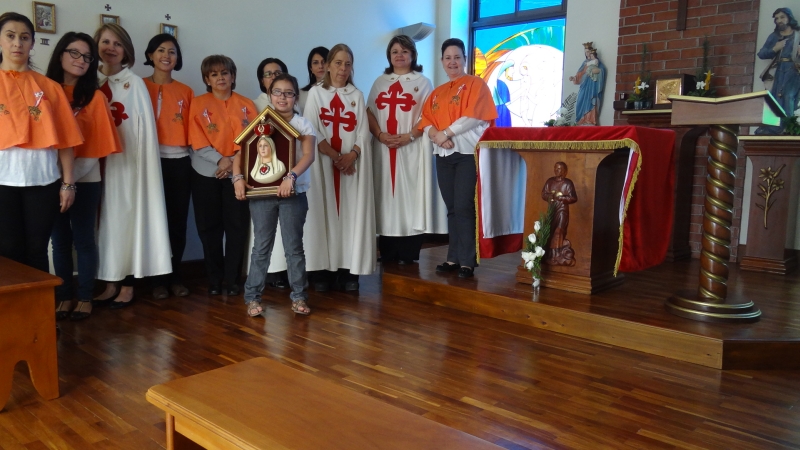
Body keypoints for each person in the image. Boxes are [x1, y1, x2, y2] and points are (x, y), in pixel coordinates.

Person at [92, 23, 171, 309]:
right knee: (102, 224)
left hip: (125, 164)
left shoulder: (134, 83)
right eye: (105, 42)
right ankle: (109, 280)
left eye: (117, 44)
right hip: (93, 162)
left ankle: (127, 284)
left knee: (123, 220)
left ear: (126, 50)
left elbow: (143, 133)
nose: (111, 48)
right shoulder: (89, 80)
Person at [46, 31, 122, 320]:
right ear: (60, 55)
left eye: (87, 57)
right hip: (48, 178)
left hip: (85, 178)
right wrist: (57, 179)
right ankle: (64, 296)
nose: (81, 60)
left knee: (84, 239)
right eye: (74, 53)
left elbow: (96, 147)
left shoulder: (95, 97)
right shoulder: (45, 91)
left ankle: (86, 296)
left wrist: (69, 181)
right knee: (59, 242)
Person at [0, 12, 81, 274]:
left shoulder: (50, 87)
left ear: (32, 43)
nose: (17, 43)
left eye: (24, 37)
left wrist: (68, 184)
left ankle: (41, 302)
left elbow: (66, 141)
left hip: (43, 182)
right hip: (2, 183)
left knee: (37, 249)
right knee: (7, 250)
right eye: (10, 36)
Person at [235, 73, 316, 316]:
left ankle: (299, 297)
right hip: (261, 195)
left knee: (294, 247)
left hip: (293, 193)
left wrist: (291, 177)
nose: (283, 97)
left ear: (296, 97)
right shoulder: (259, 122)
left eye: (289, 93)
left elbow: (308, 155)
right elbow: (240, 154)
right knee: (261, 247)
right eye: (277, 92)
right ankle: (252, 298)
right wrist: (237, 179)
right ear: (270, 95)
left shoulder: (303, 124)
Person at [419, 38, 497, 279]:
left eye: (457, 57)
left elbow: (474, 117)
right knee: (452, 207)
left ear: (464, 59)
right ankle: (453, 257)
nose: (452, 62)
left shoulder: (476, 84)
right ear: (442, 61)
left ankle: (468, 261)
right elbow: (425, 121)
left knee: (464, 206)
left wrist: (446, 133)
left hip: (466, 154)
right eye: (448, 58)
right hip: (443, 154)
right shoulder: (437, 93)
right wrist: (437, 135)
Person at [367, 35, 446, 265]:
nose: (399, 55)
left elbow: (428, 115)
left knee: (410, 196)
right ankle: (388, 251)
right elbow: (369, 112)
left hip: (412, 147)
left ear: (413, 54)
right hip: (384, 147)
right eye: (395, 51)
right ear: (389, 56)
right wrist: (380, 135)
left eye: (404, 51)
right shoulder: (380, 82)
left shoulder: (423, 82)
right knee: (386, 196)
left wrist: (410, 135)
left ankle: (409, 252)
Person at [303, 43, 375, 291]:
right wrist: (337, 157)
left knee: (350, 216)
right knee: (323, 213)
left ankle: (348, 272)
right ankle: (322, 272)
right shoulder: (315, 94)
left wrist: (351, 155)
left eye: (347, 64)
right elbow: (311, 129)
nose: (343, 68)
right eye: (338, 63)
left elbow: (363, 132)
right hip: (324, 164)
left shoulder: (357, 95)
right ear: (328, 65)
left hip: (351, 167)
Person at [188, 54, 257, 296]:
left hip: (237, 175)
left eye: (224, 73)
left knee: (237, 227)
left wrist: (232, 162)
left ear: (233, 76)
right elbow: (196, 139)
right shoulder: (197, 104)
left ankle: (233, 280)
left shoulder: (247, 105)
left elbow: (253, 139)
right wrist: (220, 160)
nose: (220, 78)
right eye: (214, 74)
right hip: (205, 173)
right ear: (207, 79)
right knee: (209, 228)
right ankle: (215, 280)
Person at [143, 33, 195, 300]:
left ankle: (175, 276)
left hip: (179, 163)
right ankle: (156, 280)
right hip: (148, 162)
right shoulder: (139, 86)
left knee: (177, 221)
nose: (166, 56)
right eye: (161, 50)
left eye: (172, 51)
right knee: (153, 221)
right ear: (150, 55)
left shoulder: (186, 91)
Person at [756, 8, 800, 135]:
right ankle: (775, 128)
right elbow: (762, 53)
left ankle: (789, 127)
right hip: (779, 70)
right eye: (776, 18)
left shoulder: (798, 34)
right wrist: (775, 48)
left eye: (782, 17)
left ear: (789, 18)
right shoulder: (775, 36)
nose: (779, 20)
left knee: (788, 96)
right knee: (775, 97)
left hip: (794, 70)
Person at [541, 162, 577, 267]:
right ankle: (550, 254)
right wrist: (550, 196)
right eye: (556, 168)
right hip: (552, 210)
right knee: (551, 231)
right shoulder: (550, 181)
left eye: (559, 169)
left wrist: (562, 198)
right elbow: (544, 194)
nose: (557, 170)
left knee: (559, 230)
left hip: (562, 210)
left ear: (564, 171)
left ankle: (557, 254)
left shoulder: (567, 183)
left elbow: (573, 197)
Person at [569, 42, 605, 126]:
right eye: (585, 52)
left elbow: (602, 70)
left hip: (592, 86)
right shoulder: (585, 63)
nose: (587, 54)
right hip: (584, 85)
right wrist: (574, 78)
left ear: (592, 52)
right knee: (580, 100)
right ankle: (581, 120)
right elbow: (580, 74)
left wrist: (598, 71)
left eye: (588, 52)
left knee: (591, 100)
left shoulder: (597, 62)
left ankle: (590, 120)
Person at [298, 47, 328, 114]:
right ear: (311, 68)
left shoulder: (339, 91)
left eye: (324, 62)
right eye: (315, 63)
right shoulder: (301, 94)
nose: (320, 66)